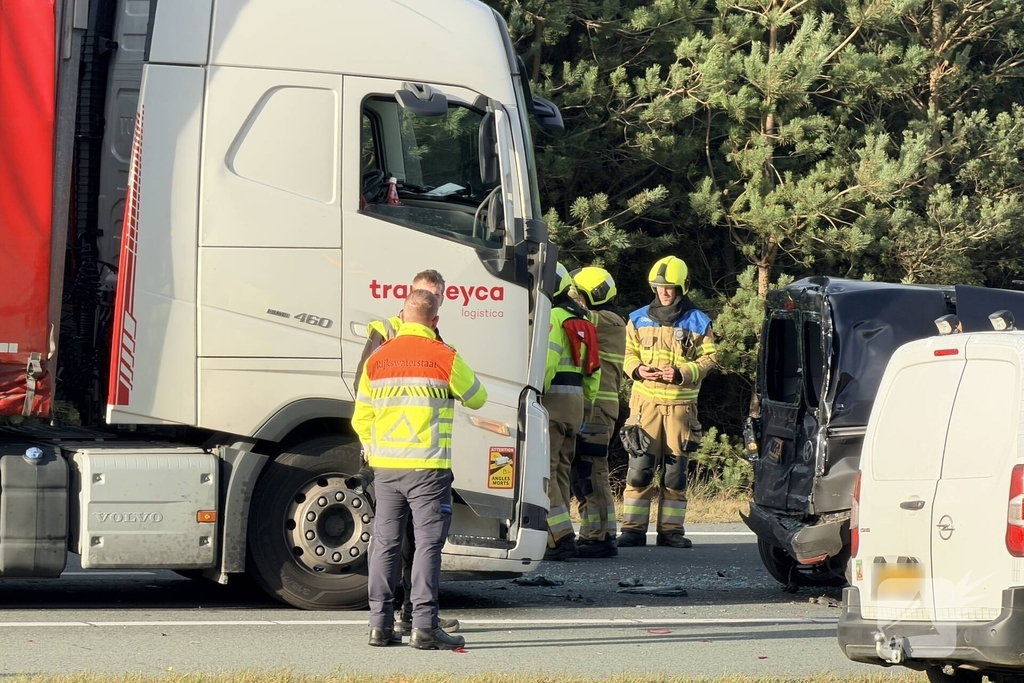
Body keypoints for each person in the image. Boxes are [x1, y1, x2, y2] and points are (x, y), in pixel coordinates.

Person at [353, 289, 487, 650]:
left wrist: (376, 447)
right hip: (428, 468)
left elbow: (361, 416)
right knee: (428, 546)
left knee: (385, 544)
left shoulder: (377, 359)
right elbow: (478, 396)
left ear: (402, 315)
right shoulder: (444, 355)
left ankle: (379, 627)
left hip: (386, 469)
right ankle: (424, 626)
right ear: (435, 321)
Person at [618, 256, 718, 549]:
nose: (663, 292)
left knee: (675, 474)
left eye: (669, 287)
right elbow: (627, 354)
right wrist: (637, 369)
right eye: (659, 287)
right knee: (639, 469)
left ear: (681, 288)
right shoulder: (637, 318)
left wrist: (682, 373)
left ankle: (671, 531)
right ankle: (633, 530)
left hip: (680, 410)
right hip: (644, 407)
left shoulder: (698, 321)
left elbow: (711, 358)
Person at [542, 262, 600, 561]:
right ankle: (562, 534)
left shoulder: (552, 316)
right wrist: (586, 405)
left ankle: (561, 538)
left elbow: (549, 361)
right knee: (563, 469)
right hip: (576, 403)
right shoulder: (584, 318)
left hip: (553, 400)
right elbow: (594, 371)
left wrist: (535, 391)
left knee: (547, 471)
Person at [569, 266, 627, 559]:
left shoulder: (608, 320)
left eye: (578, 294)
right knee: (582, 474)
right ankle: (591, 532)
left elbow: (571, 315)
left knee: (593, 472)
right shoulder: (602, 318)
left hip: (599, 410)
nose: (575, 299)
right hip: (592, 407)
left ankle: (603, 535)